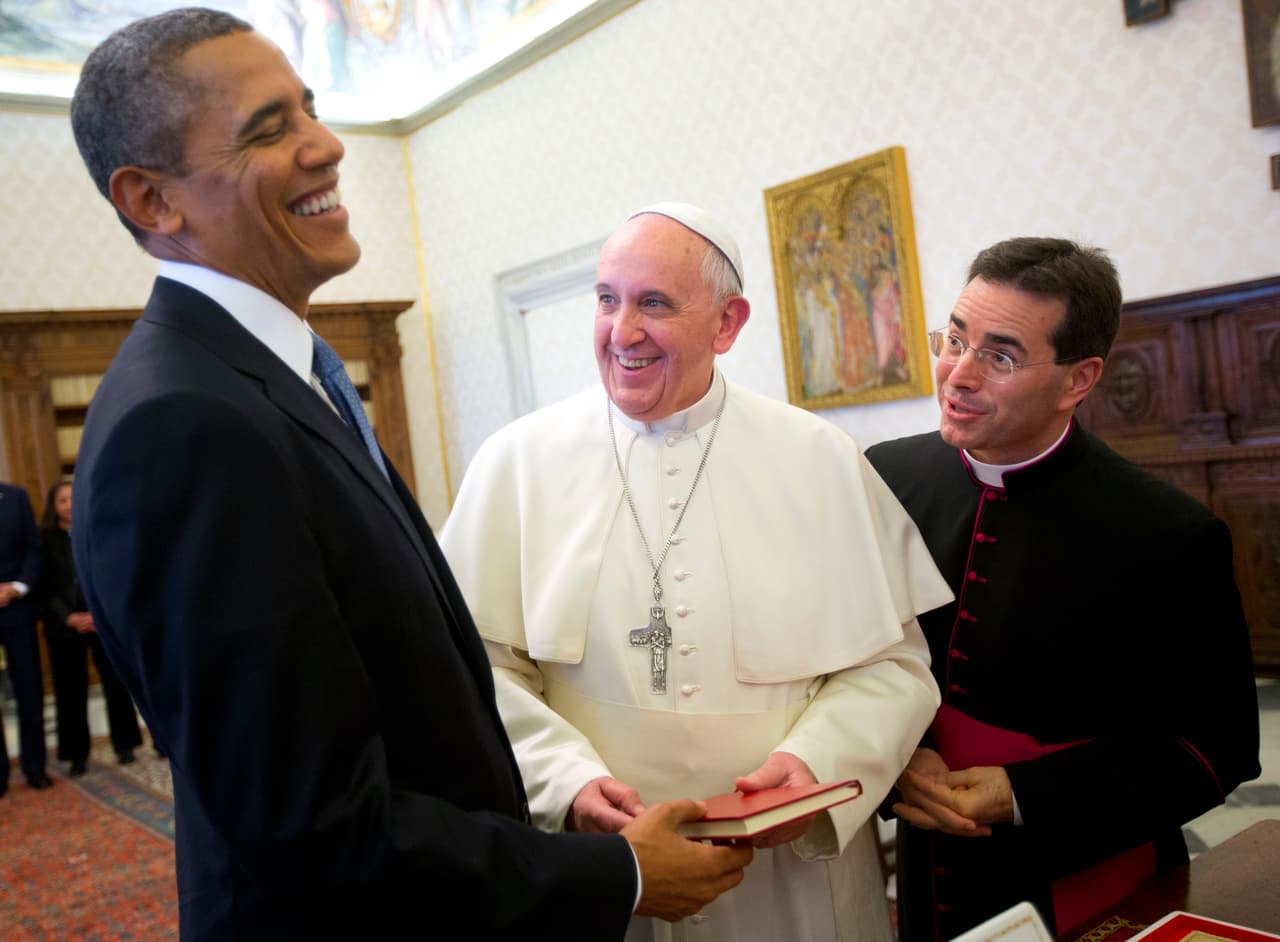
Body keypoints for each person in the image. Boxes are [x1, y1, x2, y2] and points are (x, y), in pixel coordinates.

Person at [68, 10, 749, 940]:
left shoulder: (273, 376)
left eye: (310, 109)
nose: (327, 146)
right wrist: (614, 876)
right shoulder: (183, 425)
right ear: (154, 201)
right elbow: (312, 824)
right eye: (270, 129)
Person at [440, 202, 953, 942]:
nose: (622, 332)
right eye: (607, 300)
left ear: (727, 323)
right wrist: (568, 783)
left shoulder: (817, 458)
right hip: (601, 864)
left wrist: (814, 766)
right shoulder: (516, 463)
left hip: (788, 881)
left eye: (654, 303)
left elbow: (894, 668)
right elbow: (476, 668)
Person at [864, 237, 1262, 941]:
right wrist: (898, 756)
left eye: (1001, 355)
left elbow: (1214, 749)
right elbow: (854, 656)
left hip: (1087, 864)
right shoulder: (886, 477)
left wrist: (1022, 794)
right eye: (954, 339)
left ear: (1078, 381)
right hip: (929, 860)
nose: (957, 373)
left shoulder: (1165, 531)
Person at [39, 479, 143, 775]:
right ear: (53, 506)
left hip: (102, 621)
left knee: (116, 684)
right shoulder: (44, 540)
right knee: (70, 689)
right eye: (62, 500)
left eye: (74, 498)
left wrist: (98, 612)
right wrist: (68, 616)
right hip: (64, 625)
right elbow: (43, 587)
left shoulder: (99, 533)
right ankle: (76, 754)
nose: (69, 505)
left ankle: (125, 745)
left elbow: (113, 575)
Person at [0, 480, 50, 794]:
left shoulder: (16, 497)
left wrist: (17, 587)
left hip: (17, 609)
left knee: (29, 691)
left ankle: (35, 767)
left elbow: (34, 547)